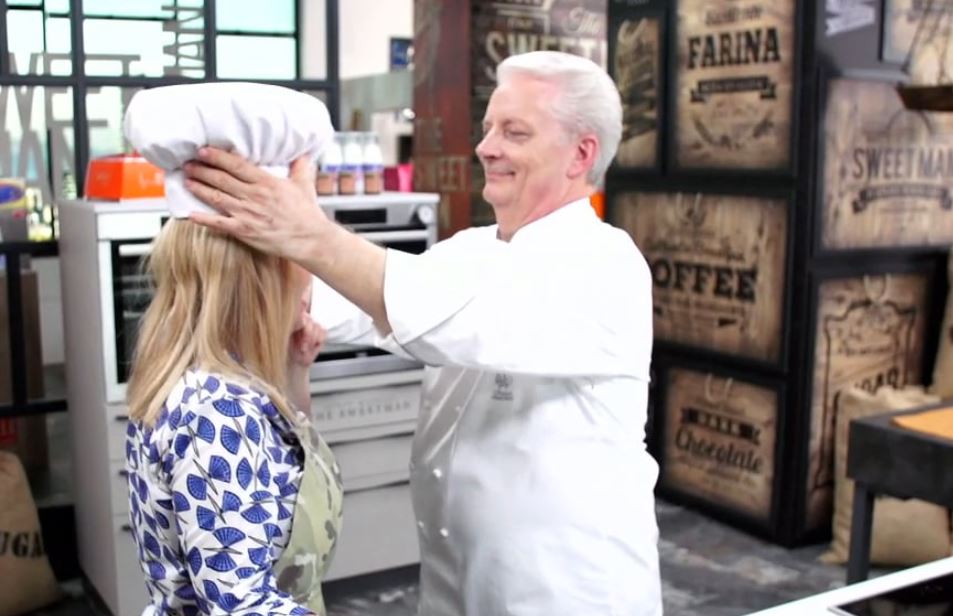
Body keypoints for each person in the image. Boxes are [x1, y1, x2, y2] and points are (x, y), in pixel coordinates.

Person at [185, 51, 663, 615]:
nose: (487, 147)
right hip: (455, 589)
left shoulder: (607, 266)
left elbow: (444, 316)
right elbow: (357, 304)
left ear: (581, 153)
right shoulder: (472, 250)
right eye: (488, 128)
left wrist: (310, 235)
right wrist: (271, 254)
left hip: (568, 594)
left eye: (514, 132)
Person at [122, 82, 343, 616]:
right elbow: (241, 607)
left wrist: (294, 374)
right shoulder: (214, 410)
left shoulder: (227, 383)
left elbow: (278, 472)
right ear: (263, 275)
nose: (312, 272)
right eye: (302, 251)